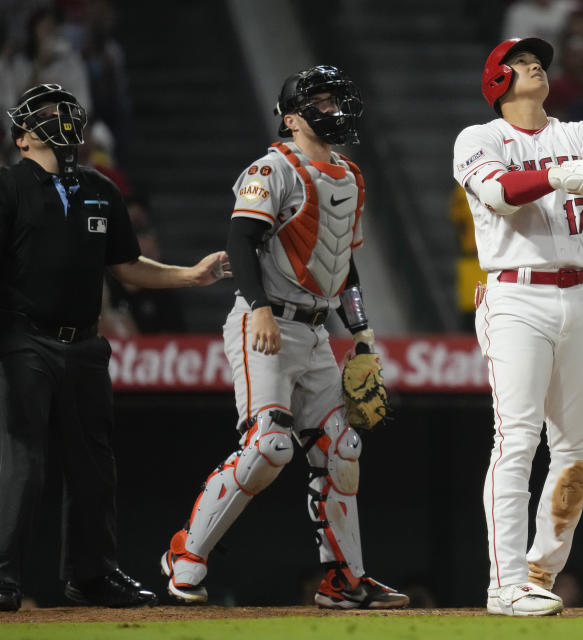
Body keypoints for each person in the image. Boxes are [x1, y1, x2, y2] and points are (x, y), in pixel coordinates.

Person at [159, 65, 409, 610]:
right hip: (265, 323)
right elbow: (241, 240)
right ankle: (187, 552)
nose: (334, 109)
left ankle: (345, 579)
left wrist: (362, 334)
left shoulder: (350, 175)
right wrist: (260, 309)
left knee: (343, 446)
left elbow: (344, 266)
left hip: (317, 331)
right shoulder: (273, 168)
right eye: (320, 101)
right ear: (292, 118)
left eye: (337, 99)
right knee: (269, 444)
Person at [0, 83, 230, 612]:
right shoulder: (8, 187)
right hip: (22, 337)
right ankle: (4, 575)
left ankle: (92, 575)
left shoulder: (101, 188)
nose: (61, 119)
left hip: (84, 342)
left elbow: (126, 265)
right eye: (47, 115)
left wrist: (189, 276)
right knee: (24, 461)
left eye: (66, 110)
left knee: (94, 465)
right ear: (21, 139)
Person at [453, 36, 583, 617]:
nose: (534, 66)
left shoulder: (576, 132)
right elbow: (500, 193)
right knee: (518, 437)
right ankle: (504, 584)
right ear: (496, 80)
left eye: (538, 62)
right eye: (520, 62)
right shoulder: (479, 138)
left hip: (582, 296)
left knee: (576, 447)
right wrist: (559, 176)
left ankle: (539, 571)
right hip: (515, 296)